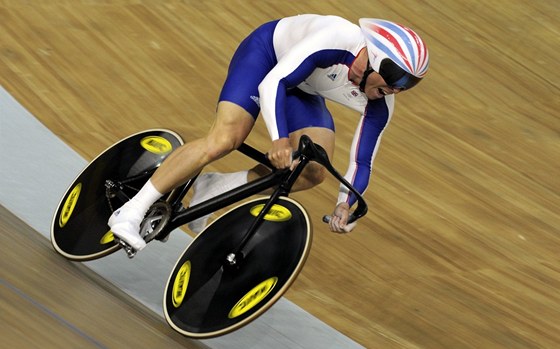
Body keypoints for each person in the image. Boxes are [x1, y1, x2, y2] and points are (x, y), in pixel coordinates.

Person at [108, 14, 430, 251]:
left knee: (312, 169)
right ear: (374, 59)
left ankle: (214, 186)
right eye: (396, 78)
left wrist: (346, 204)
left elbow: (362, 161)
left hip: (301, 86)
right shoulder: (336, 38)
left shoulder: (381, 102)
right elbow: (272, 83)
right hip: (266, 59)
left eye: (408, 85)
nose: (397, 90)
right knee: (226, 139)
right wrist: (278, 139)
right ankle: (131, 211)